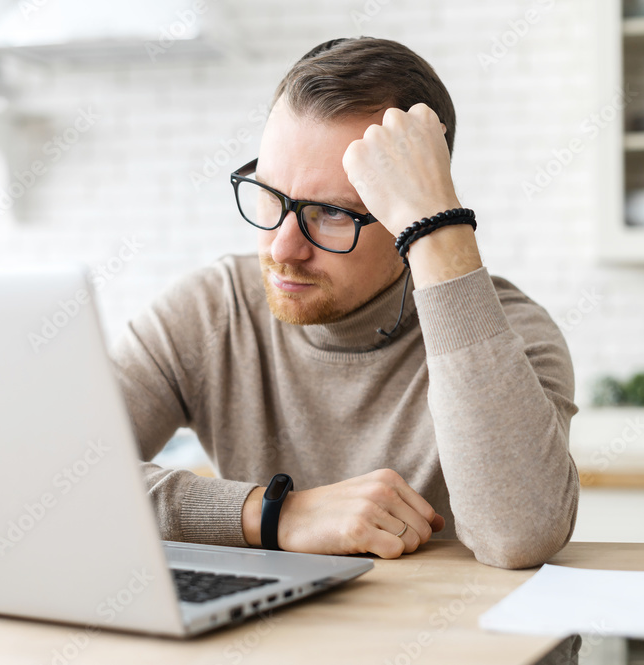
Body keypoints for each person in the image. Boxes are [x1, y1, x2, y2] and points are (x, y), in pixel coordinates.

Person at [112, 37, 579, 570]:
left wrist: (440, 228)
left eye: (332, 213)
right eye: (270, 194)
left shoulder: (510, 334)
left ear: (409, 212)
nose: (283, 248)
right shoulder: (211, 310)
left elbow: (519, 535)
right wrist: (277, 515)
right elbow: (49, 479)